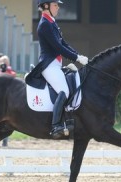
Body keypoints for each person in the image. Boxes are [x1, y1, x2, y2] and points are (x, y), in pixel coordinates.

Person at [26, 0, 88, 139]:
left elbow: (64, 43)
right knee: (64, 91)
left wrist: (78, 55)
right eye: (55, 5)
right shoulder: (44, 25)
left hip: (55, 64)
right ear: (46, 6)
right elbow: (58, 48)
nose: (58, 7)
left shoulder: (51, 22)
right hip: (48, 65)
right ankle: (56, 126)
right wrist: (76, 58)